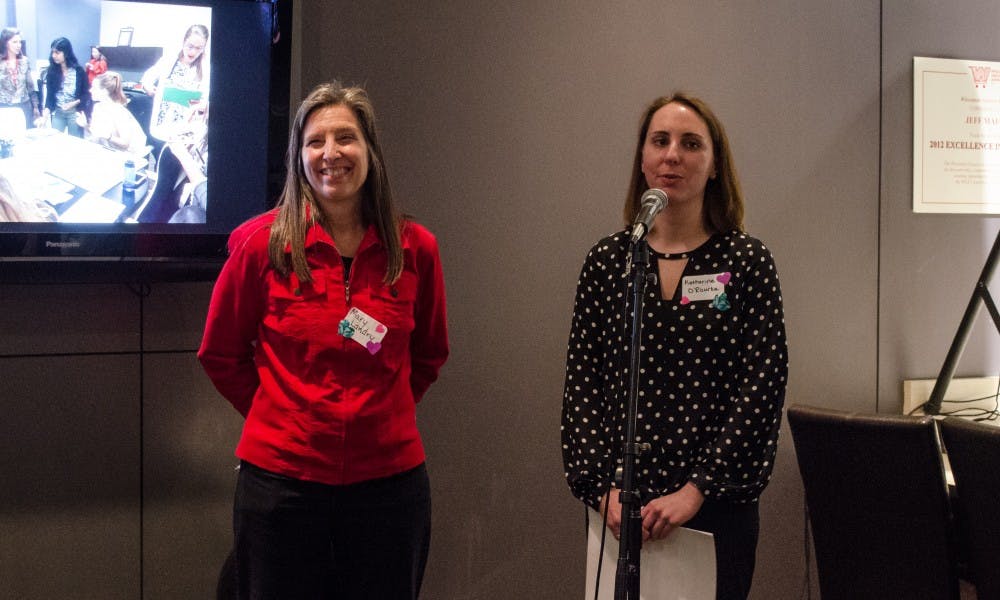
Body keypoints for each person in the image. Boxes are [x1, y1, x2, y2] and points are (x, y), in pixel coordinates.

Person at [197, 82, 450, 599]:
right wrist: (283, 414)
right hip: (282, 488)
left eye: (346, 138)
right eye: (316, 141)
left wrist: (380, 412)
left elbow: (428, 354)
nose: (331, 154)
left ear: (370, 152)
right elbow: (220, 353)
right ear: (299, 155)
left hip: (389, 490)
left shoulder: (415, 248)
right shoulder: (260, 245)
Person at [561, 92, 788, 600]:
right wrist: (604, 491)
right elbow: (582, 388)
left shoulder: (747, 261)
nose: (673, 155)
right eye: (660, 141)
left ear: (713, 166)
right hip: (620, 512)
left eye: (691, 144)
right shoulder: (608, 261)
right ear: (642, 160)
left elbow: (762, 386)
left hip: (714, 509)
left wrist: (695, 490)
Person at [141, 24, 210, 144]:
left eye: (199, 48)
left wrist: (204, 105)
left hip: (186, 135)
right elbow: (148, 76)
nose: (193, 51)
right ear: (183, 42)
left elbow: (207, 97)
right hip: (162, 129)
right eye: (190, 46)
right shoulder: (169, 60)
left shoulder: (205, 68)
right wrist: (147, 85)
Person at [77, 71, 147, 155]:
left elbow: (125, 143)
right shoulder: (97, 107)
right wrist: (86, 126)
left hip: (123, 156)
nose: (90, 90)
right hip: (105, 152)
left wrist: (108, 136)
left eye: (94, 88)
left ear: (105, 91)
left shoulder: (119, 111)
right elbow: (97, 134)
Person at [42, 37, 89, 137]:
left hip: (74, 112)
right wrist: (45, 113)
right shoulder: (52, 71)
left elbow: (86, 94)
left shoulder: (79, 71)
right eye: (52, 52)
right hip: (58, 112)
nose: (54, 56)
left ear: (66, 53)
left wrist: (74, 103)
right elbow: (50, 96)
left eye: (57, 52)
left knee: (75, 142)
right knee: (55, 140)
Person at [0, 28, 40, 128]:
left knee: (25, 136)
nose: (19, 45)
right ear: (5, 43)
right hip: (4, 106)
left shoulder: (24, 61)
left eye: (20, 42)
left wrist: (35, 106)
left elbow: (30, 86)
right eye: (14, 42)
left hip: (24, 106)